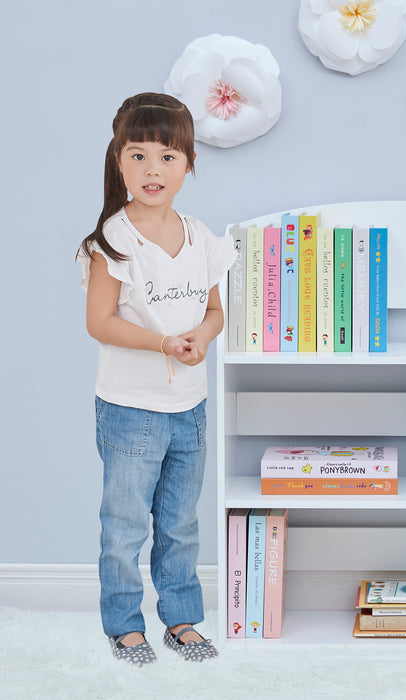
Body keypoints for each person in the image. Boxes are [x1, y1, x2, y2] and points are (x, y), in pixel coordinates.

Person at [77, 93, 237, 665]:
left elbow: (216, 311)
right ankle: (124, 626)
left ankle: (182, 619)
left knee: (179, 523)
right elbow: (100, 322)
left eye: (168, 157)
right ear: (118, 162)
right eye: (138, 155)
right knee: (123, 526)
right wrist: (163, 342)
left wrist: (202, 337)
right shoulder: (113, 243)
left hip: (188, 407)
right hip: (129, 407)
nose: (153, 170)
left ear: (189, 164)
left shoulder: (200, 237)